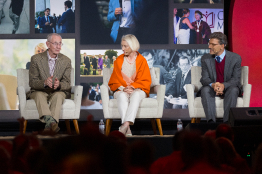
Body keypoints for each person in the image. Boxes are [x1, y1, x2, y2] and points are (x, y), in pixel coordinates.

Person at [27, 33, 72, 132]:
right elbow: (32, 82)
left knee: (58, 96)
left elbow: (68, 84)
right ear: (47, 44)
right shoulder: (36, 59)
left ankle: (49, 125)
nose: (58, 47)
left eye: (60, 44)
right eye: (55, 43)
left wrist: (59, 85)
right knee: (38, 95)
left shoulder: (66, 60)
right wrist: (44, 82)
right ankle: (52, 124)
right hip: (40, 90)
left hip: (57, 91)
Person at [108, 34, 151, 136]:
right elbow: (114, 80)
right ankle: (127, 129)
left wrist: (133, 87)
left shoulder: (142, 60)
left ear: (132, 45)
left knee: (136, 95)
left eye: (125, 46)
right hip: (121, 90)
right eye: (122, 46)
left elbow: (145, 80)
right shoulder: (118, 60)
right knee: (122, 96)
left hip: (138, 90)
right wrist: (123, 89)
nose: (122, 48)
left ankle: (125, 125)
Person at [198, 32, 242, 123]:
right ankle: (211, 123)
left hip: (228, 88)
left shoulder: (235, 58)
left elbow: (236, 79)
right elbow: (204, 79)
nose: (209, 47)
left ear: (222, 46)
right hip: (212, 88)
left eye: (213, 44)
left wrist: (223, 85)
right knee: (205, 90)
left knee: (234, 89)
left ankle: (227, 123)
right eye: (209, 44)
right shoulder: (205, 58)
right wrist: (214, 85)